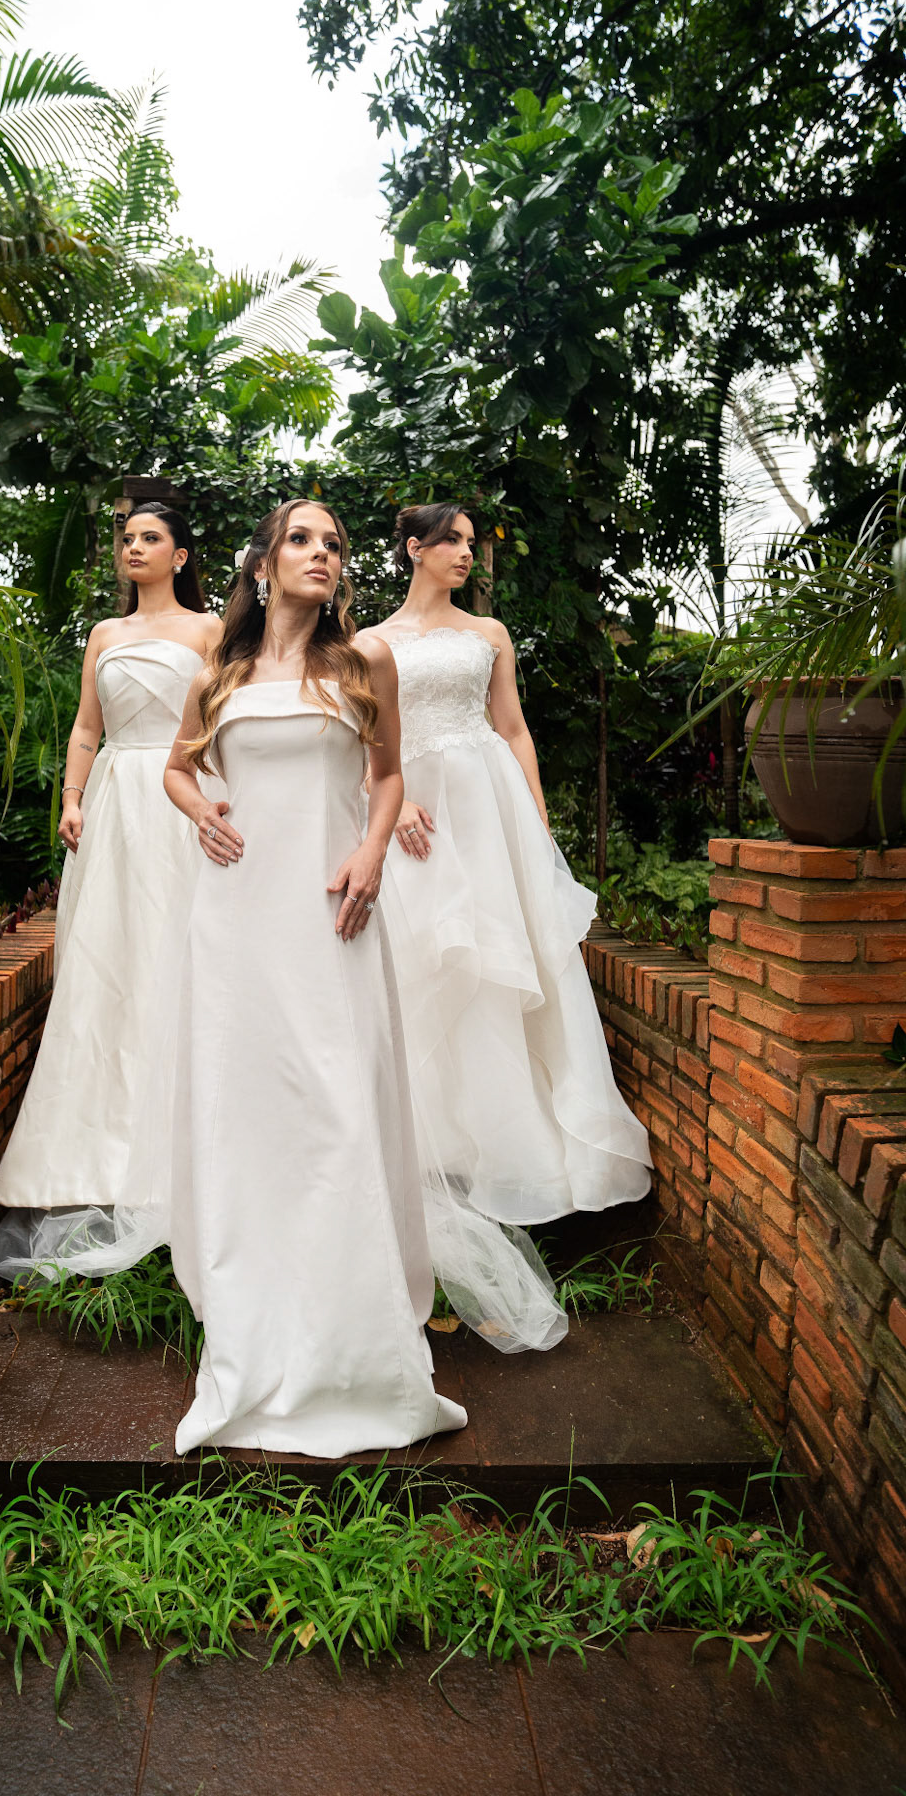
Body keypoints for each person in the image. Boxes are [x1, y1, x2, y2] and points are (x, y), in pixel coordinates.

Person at [158, 498, 513, 1458]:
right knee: (247, 1107)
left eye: (334, 544)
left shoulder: (363, 664)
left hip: (330, 910)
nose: (322, 554)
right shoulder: (219, 672)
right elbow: (176, 769)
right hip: (234, 916)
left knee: (337, 1101)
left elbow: (388, 777)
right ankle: (255, 1310)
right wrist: (199, 809)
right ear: (263, 564)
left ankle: (351, 1325)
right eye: (301, 539)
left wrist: (370, 852)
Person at [368, 503, 653, 1242]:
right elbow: (362, 744)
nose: (466, 553)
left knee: (502, 961)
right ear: (415, 549)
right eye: (452, 541)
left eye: (470, 543)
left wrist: (533, 814)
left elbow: (514, 728)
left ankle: (519, 1150)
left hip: (487, 807)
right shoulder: (369, 642)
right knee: (427, 963)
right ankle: (432, 1152)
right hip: (416, 816)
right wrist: (392, 802)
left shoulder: (488, 633)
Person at [0, 502, 221, 1278]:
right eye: (127, 539)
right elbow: (87, 727)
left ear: (180, 556)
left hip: (185, 801)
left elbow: (223, 725)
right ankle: (94, 1155)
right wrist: (71, 797)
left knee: (180, 958)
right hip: (117, 803)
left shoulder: (210, 630)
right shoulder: (104, 635)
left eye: (151, 538)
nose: (134, 548)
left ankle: (191, 1148)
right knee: (110, 963)